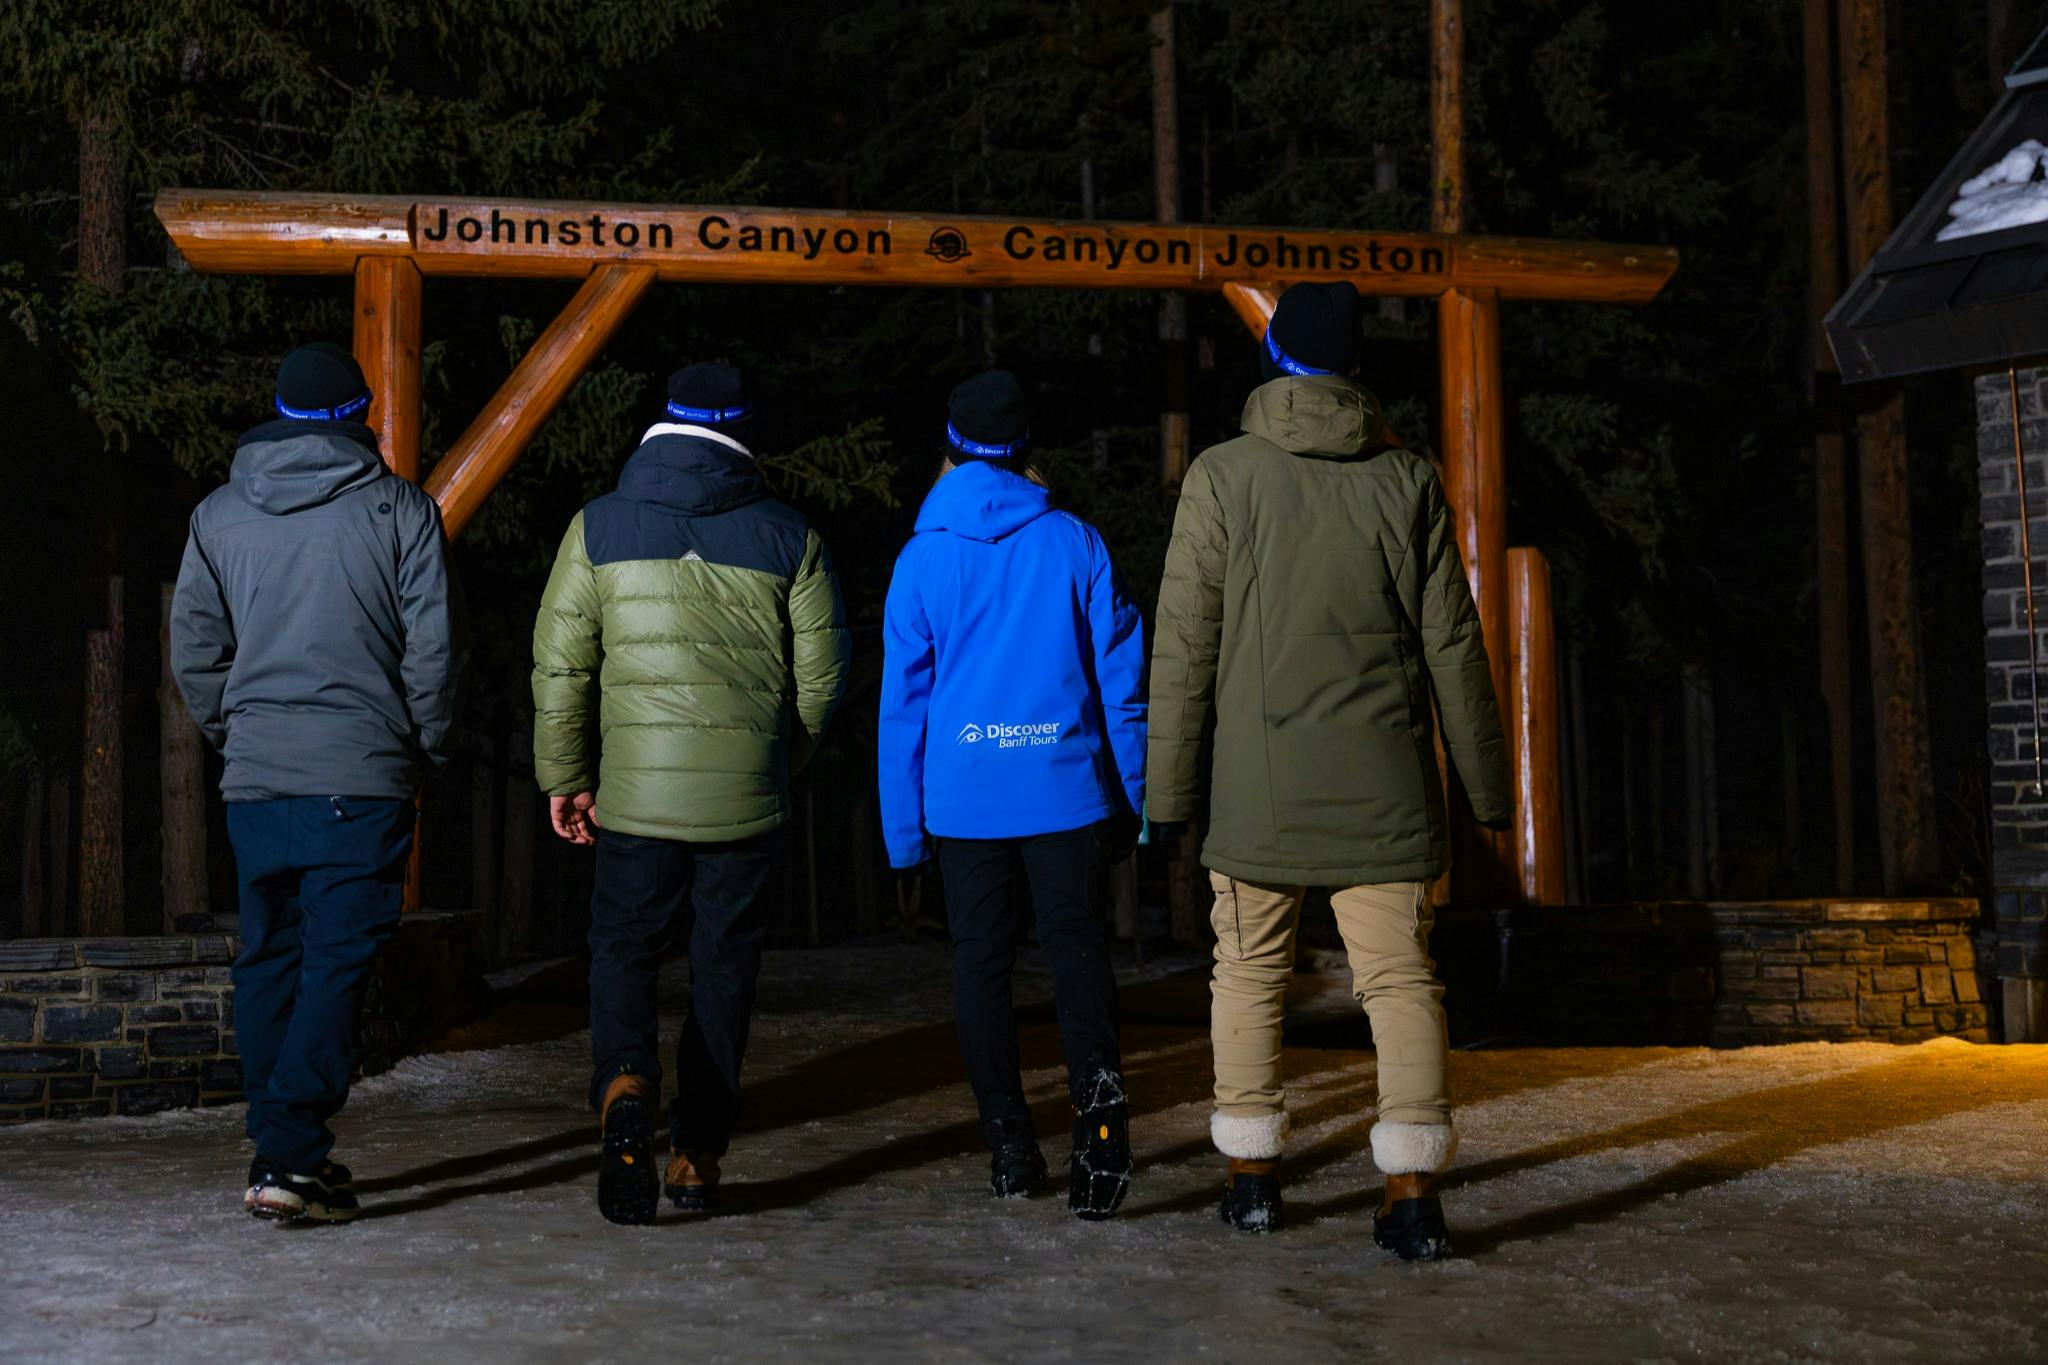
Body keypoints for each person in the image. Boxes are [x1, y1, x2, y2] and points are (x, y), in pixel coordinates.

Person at [1147, 282, 1511, 1258]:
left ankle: (1253, 1175)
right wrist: (1486, 791)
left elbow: (1184, 645)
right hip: (1383, 781)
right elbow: (1454, 649)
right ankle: (1410, 1189)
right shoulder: (1405, 480)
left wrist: (1167, 796)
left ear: (1276, 359)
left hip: (1254, 786)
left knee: (1249, 974)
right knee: (1397, 981)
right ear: (1354, 366)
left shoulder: (1222, 477)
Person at [533, 361, 850, 1225]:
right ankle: (696, 1155)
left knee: (624, 950)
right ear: (743, 435)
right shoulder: (791, 534)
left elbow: (562, 668)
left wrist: (565, 776)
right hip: (745, 800)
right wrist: (773, 765)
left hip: (633, 800)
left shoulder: (597, 526)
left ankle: (625, 1082)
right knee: (723, 967)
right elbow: (823, 685)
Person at [171, 341, 459, 1224]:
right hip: (359, 778)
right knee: (336, 967)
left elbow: (194, 652)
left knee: (269, 958)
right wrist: (426, 747)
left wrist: (239, 733)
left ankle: (281, 1152)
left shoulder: (218, 515)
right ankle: (290, 1153)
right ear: (357, 415)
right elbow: (432, 654)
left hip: (257, 784)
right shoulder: (400, 510)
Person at [878, 370, 1146, 1220]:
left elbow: (902, 708)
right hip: (1065, 792)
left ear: (951, 448)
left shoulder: (923, 555)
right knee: (1077, 953)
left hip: (965, 801)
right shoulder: (1075, 542)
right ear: (1027, 448)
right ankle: (1098, 1112)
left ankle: (1007, 1141)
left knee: (980, 965)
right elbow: (1124, 682)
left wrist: (902, 833)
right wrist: (1134, 796)